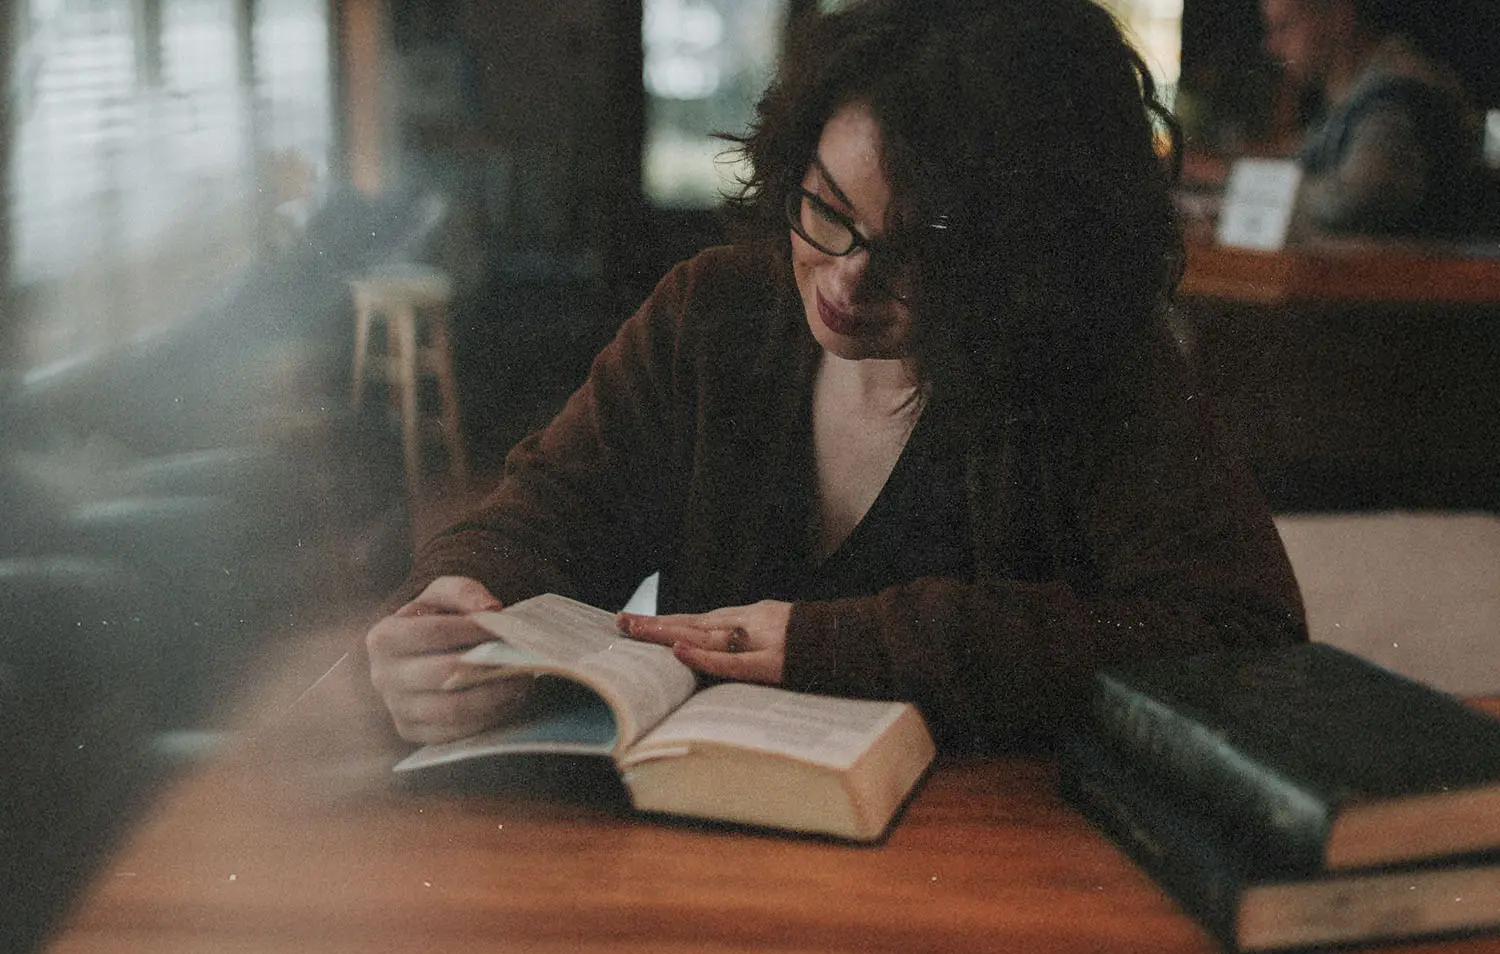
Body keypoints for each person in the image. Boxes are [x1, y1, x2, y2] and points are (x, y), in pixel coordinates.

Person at [365, 0, 1307, 754]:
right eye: (824, 208)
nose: (847, 280)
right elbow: (541, 519)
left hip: (1001, 874)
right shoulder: (713, 315)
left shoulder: (1097, 364)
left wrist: (842, 645)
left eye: (921, 256)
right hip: (706, 842)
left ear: (1028, 261)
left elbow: (1244, 636)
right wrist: (462, 603)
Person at [1260, 0, 1493, 238]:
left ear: (1340, 15)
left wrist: (1265, 192)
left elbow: (1356, 198)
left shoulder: (1396, 94)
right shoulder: (1349, 97)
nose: (1273, 46)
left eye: (1285, 25)